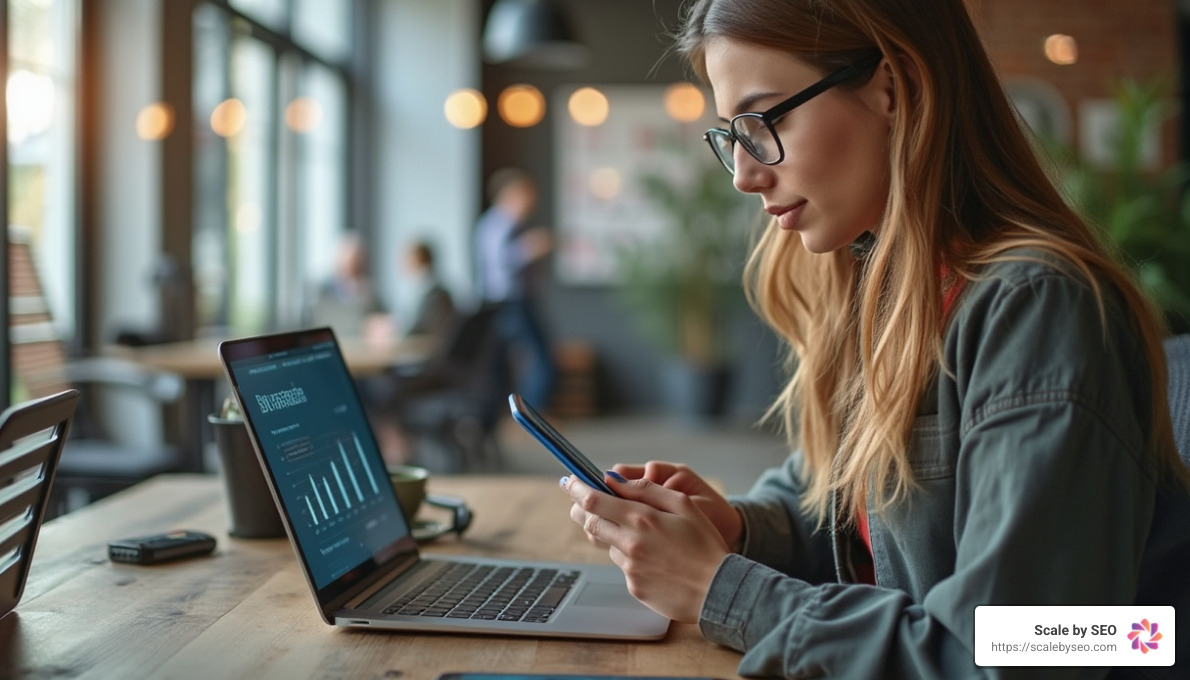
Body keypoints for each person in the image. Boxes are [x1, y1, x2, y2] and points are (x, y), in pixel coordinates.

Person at [559, 1, 1190, 678]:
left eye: (765, 121)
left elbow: (1026, 656)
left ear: (893, 86)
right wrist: (736, 531)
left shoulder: (1039, 311)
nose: (744, 174)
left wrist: (723, 589)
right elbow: (847, 517)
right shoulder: (882, 283)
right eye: (730, 136)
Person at [475, 168, 556, 412]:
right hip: (509, 302)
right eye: (526, 194)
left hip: (514, 301)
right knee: (542, 361)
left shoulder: (508, 224)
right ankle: (529, 417)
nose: (531, 201)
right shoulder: (498, 223)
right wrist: (531, 248)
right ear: (510, 194)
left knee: (504, 365)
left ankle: (522, 416)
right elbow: (500, 264)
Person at [401, 240, 456, 339]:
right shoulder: (435, 291)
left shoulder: (435, 295)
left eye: (410, 261)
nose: (405, 266)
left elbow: (420, 329)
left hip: (431, 349)